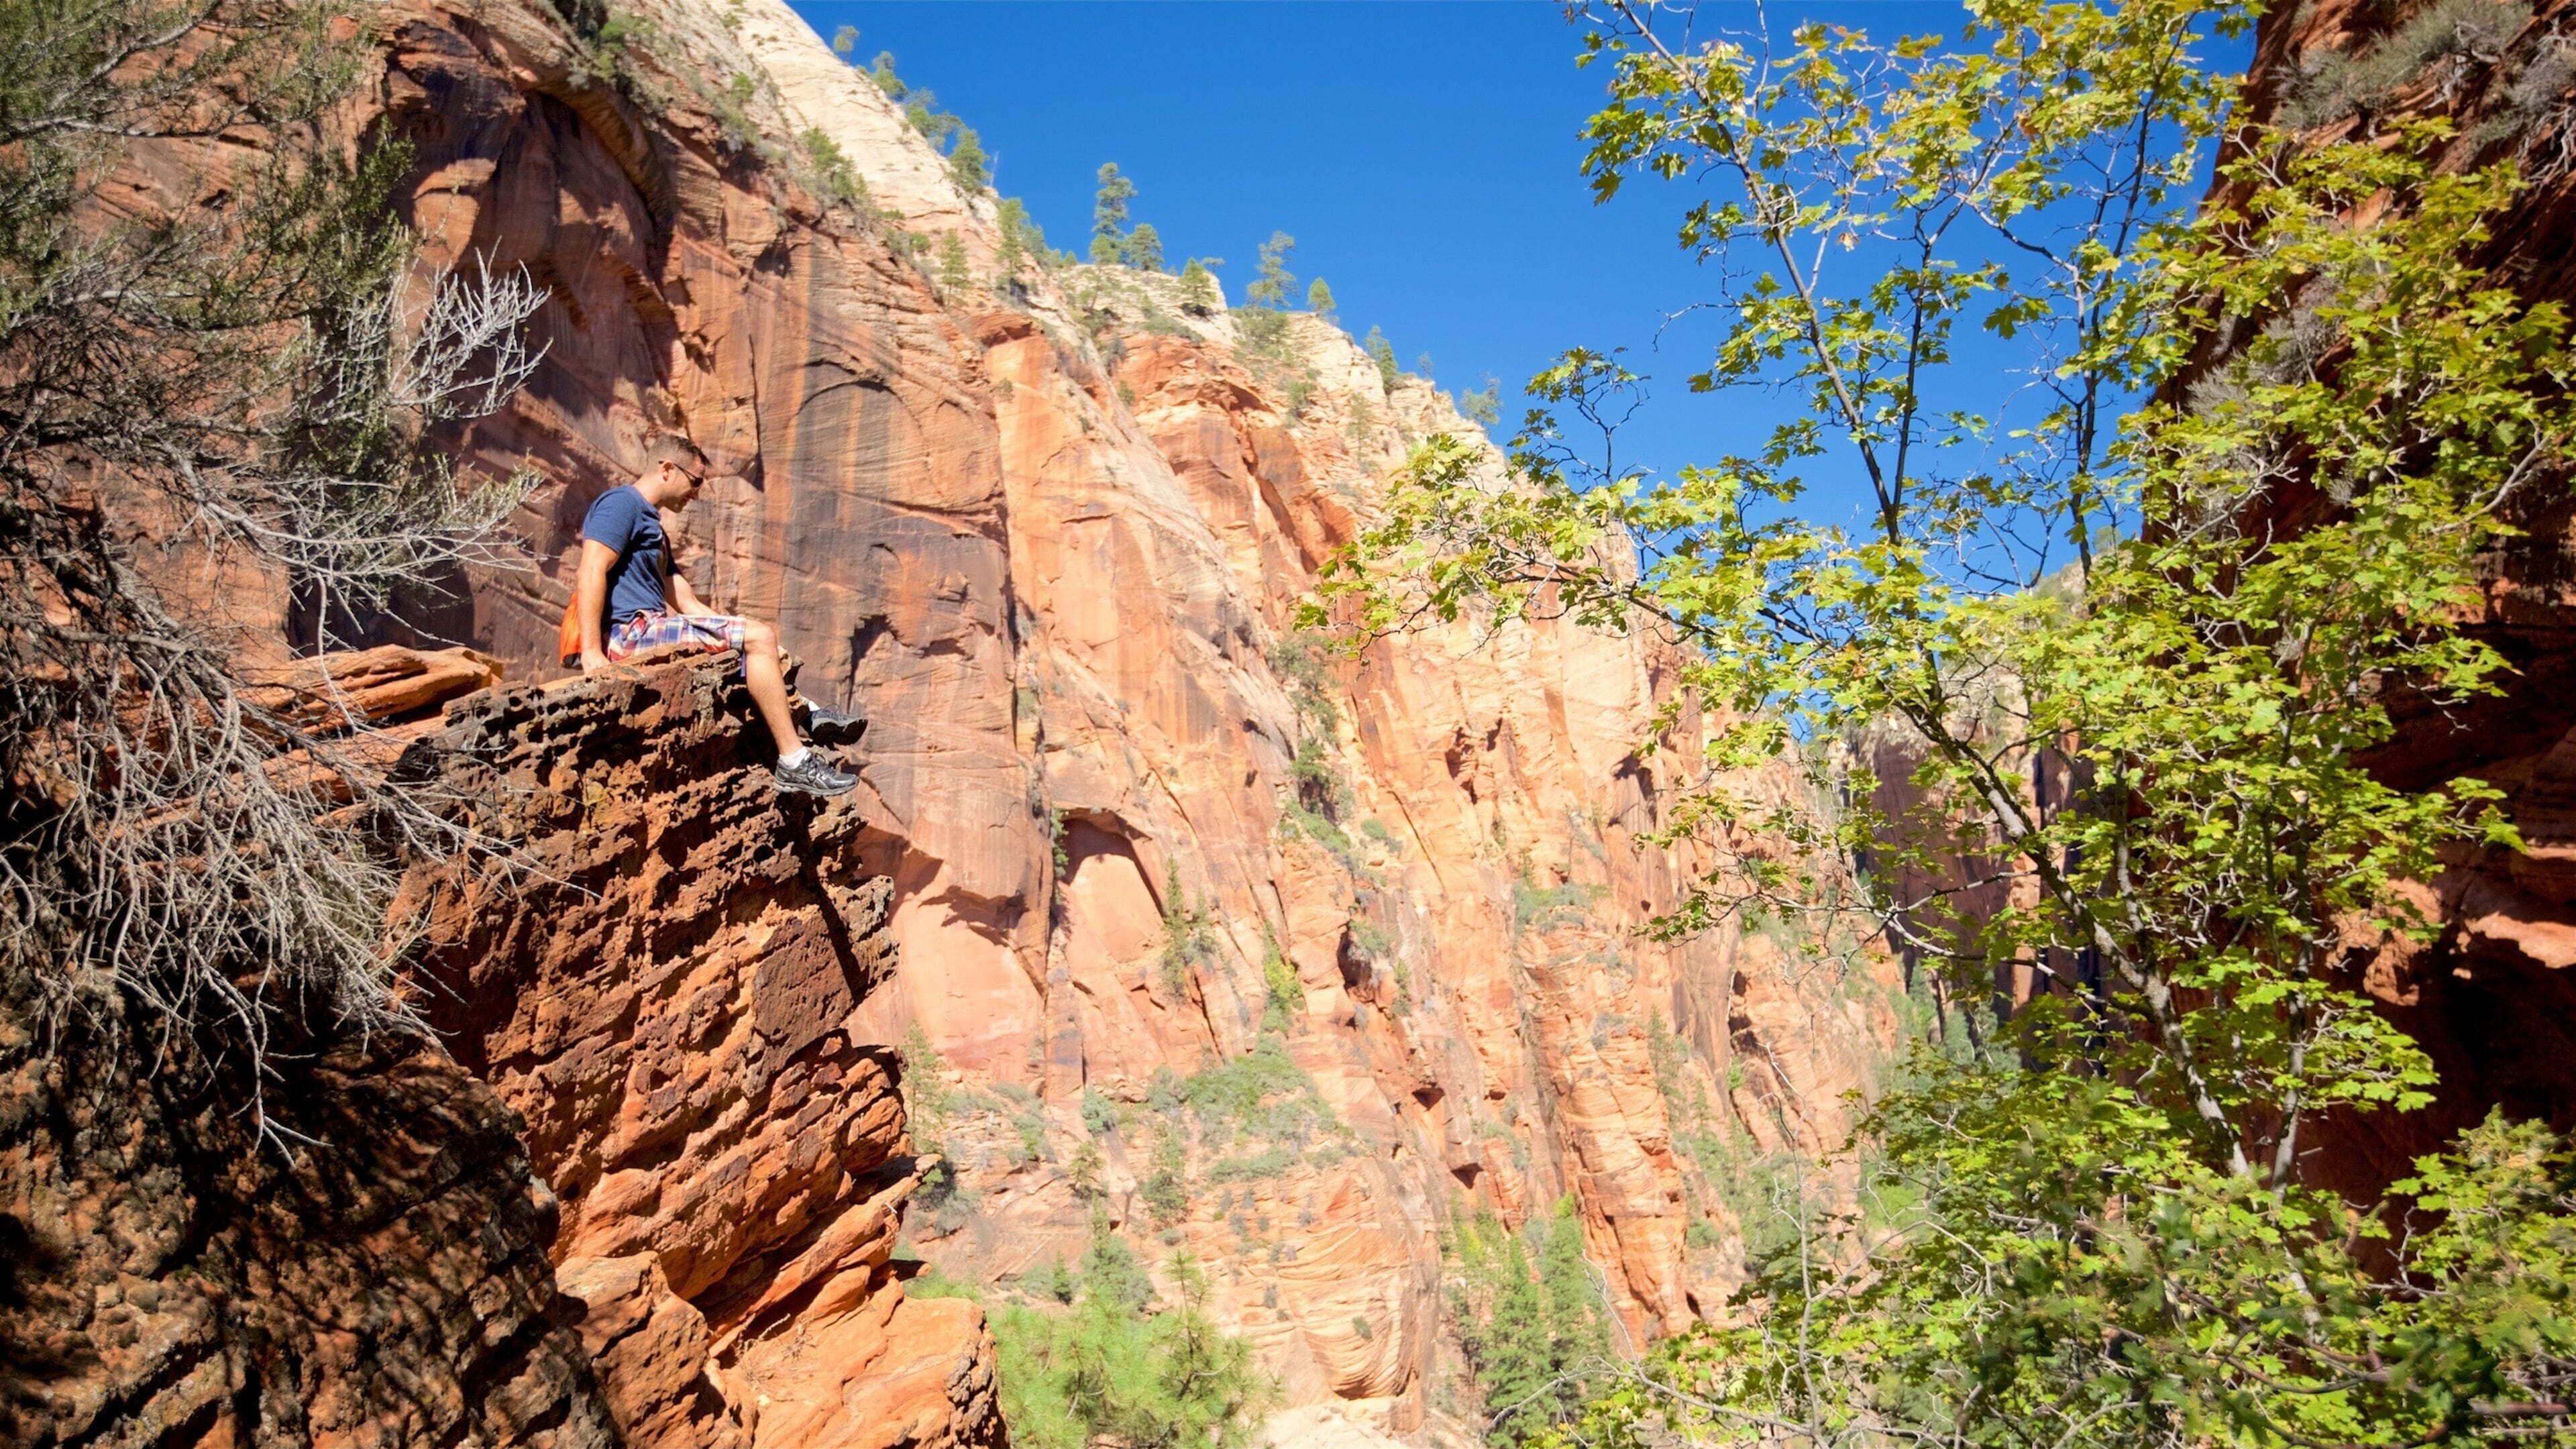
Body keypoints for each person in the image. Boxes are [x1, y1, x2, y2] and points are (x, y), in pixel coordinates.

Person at [566, 436, 863, 797]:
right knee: (758, 637)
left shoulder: (652, 525)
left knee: (759, 643)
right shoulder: (622, 504)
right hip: (631, 633)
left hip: (652, 627)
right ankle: (795, 762)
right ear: (667, 469)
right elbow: (592, 569)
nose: (696, 494)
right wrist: (591, 653)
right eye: (696, 482)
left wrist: (740, 637)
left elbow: (688, 603)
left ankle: (811, 715)